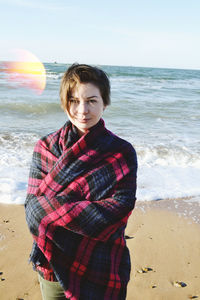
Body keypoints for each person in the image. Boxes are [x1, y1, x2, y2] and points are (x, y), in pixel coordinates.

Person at [25, 63, 137, 300]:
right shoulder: (46, 147)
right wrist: (86, 207)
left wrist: (55, 207)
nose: (82, 110)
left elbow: (119, 210)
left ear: (104, 102)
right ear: (65, 103)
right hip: (52, 264)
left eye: (92, 100)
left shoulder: (121, 152)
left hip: (102, 262)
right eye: (74, 100)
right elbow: (32, 210)